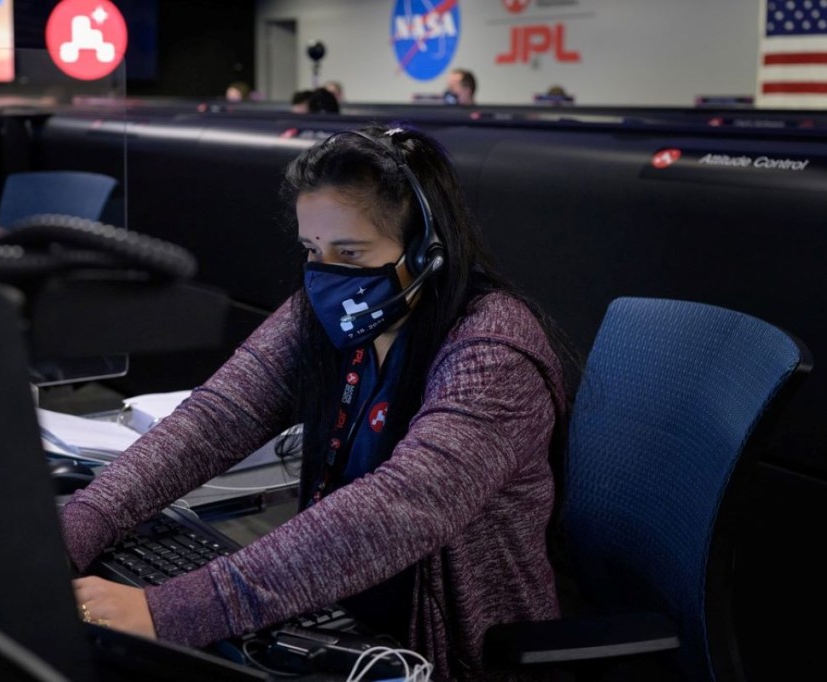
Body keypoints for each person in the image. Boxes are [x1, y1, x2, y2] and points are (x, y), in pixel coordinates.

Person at [61, 124, 576, 680]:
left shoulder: (494, 351)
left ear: (426, 251)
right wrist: (77, 529)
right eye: (313, 250)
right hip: (334, 611)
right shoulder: (325, 316)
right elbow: (214, 420)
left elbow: (399, 509)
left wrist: (170, 611)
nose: (328, 276)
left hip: (448, 657)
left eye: (350, 253)